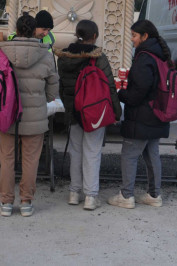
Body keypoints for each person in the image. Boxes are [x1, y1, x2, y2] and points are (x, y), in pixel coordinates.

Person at [0, 14, 58, 217]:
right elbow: (52, 93)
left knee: (7, 159)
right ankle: (26, 202)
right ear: (34, 31)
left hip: (7, 116)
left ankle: (6, 203)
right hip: (35, 119)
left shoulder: (3, 53)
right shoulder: (46, 55)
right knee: (31, 161)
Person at [55, 20, 121, 210]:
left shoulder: (64, 58)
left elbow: (63, 86)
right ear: (94, 36)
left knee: (76, 152)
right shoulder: (98, 57)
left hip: (73, 112)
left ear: (77, 34)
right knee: (92, 152)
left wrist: (68, 107)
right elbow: (109, 86)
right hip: (94, 112)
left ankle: (74, 193)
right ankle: (91, 196)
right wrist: (117, 111)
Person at [108, 19, 173, 209]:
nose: (132, 40)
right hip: (157, 115)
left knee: (129, 155)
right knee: (152, 155)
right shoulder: (161, 55)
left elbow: (139, 91)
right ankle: (154, 194)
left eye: (134, 36)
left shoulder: (145, 57)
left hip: (142, 116)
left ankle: (126, 196)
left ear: (145, 36)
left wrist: (122, 94)